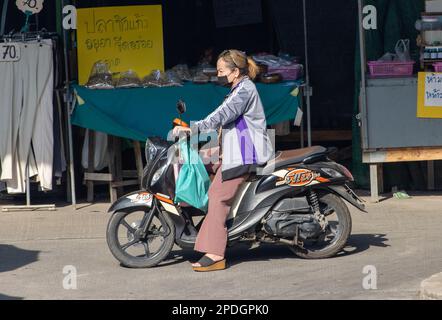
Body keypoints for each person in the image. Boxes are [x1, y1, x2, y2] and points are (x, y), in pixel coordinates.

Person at [173, 49, 274, 272]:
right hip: (234, 148)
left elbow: (222, 114)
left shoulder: (244, 90)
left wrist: (195, 128)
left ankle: (216, 253)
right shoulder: (238, 88)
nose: (218, 74)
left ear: (235, 71)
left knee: (218, 196)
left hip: (246, 152)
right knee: (198, 164)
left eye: (221, 71)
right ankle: (200, 226)